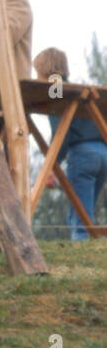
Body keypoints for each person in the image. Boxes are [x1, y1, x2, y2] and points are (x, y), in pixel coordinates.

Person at [35, 49, 106, 241]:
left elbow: (61, 130)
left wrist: (51, 164)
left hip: (83, 154)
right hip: (103, 152)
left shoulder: (55, 86)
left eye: (36, 73)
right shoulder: (79, 89)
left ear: (43, 70)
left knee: (80, 216)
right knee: (83, 209)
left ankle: (82, 247)